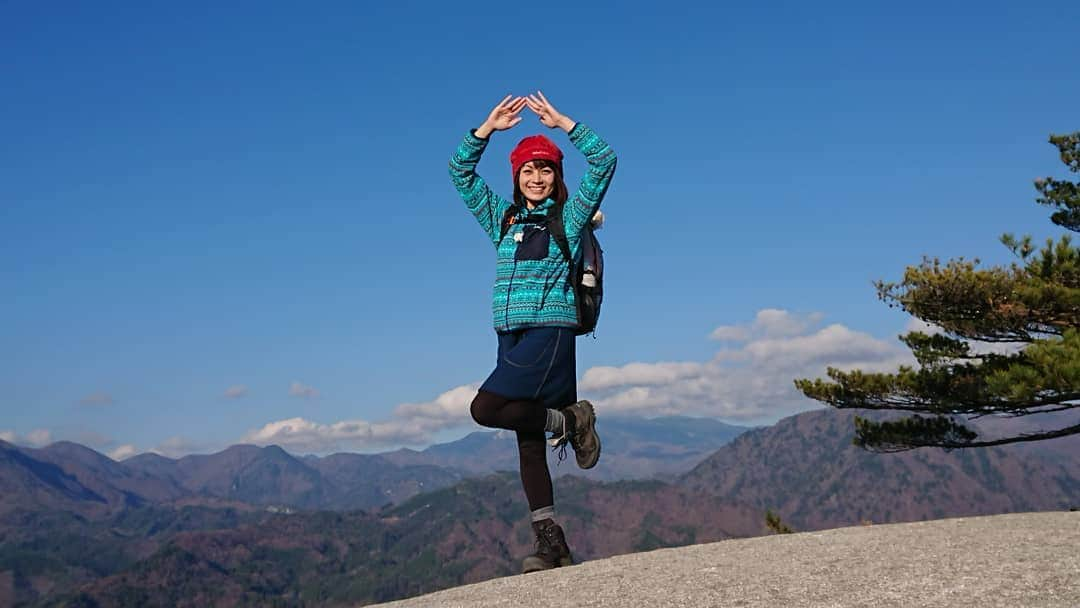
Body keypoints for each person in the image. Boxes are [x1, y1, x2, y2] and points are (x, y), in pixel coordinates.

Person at [448, 92, 617, 573]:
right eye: (527, 170)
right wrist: (485, 130)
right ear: (517, 178)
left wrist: (566, 123)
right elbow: (460, 173)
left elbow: (605, 161)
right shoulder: (503, 219)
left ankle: (569, 422)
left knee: (485, 408)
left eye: (545, 170)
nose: (537, 177)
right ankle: (550, 540)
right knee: (526, 436)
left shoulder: (569, 216)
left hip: (550, 330)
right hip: (511, 336)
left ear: (556, 177)